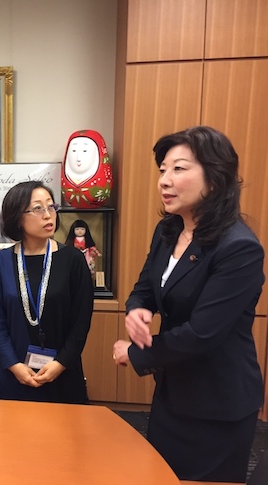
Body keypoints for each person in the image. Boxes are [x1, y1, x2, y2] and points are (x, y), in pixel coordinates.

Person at [112, 126, 265, 482]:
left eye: (179, 169)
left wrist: (134, 355)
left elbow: (201, 335)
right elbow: (145, 288)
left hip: (217, 403)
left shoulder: (238, 247)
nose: (164, 180)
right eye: (163, 169)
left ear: (215, 178)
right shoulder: (169, 230)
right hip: (174, 393)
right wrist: (138, 308)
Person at [0, 181, 94, 403]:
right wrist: (15, 366)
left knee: (66, 435)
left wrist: (60, 363)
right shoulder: (0, 262)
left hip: (62, 373)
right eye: (38, 208)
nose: (48, 215)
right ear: (17, 217)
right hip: (14, 375)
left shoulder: (73, 259)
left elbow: (81, 321)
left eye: (51, 207)